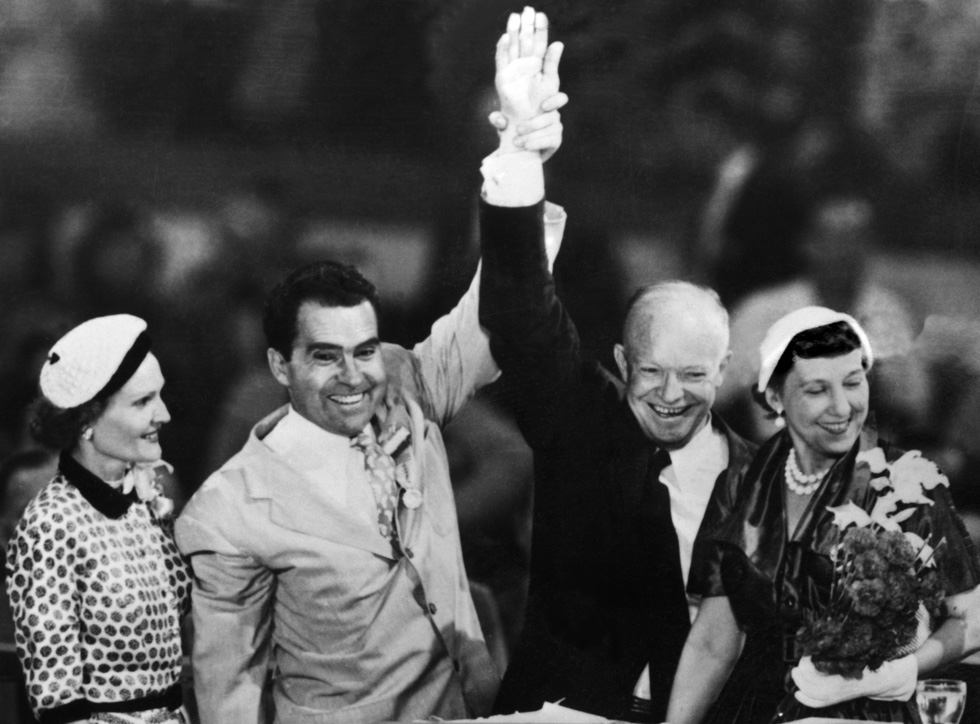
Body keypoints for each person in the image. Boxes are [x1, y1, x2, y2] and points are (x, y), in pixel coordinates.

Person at [173, 10, 568, 721]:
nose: (356, 376)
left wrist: (518, 157)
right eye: (326, 357)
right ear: (280, 366)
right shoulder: (227, 515)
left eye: (364, 350)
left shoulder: (406, 386)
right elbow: (228, 690)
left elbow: (497, 313)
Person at [477, 10, 756, 722]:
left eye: (694, 375)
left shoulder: (761, 480)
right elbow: (522, 315)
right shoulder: (582, 425)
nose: (671, 395)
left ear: (724, 369)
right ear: (622, 361)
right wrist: (521, 154)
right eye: (652, 372)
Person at [666, 306, 980, 724]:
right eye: (817, 390)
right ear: (775, 397)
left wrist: (903, 671)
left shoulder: (907, 482)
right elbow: (712, 643)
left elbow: (971, 619)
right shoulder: (741, 483)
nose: (842, 407)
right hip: (754, 708)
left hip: (863, 710)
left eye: (853, 382)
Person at [5, 314, 191, 724]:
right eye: (142, 402)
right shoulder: (51, 526)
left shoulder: (147, 504)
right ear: (87, 419)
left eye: (159, 396)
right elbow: (57, 699)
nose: (163, 414)